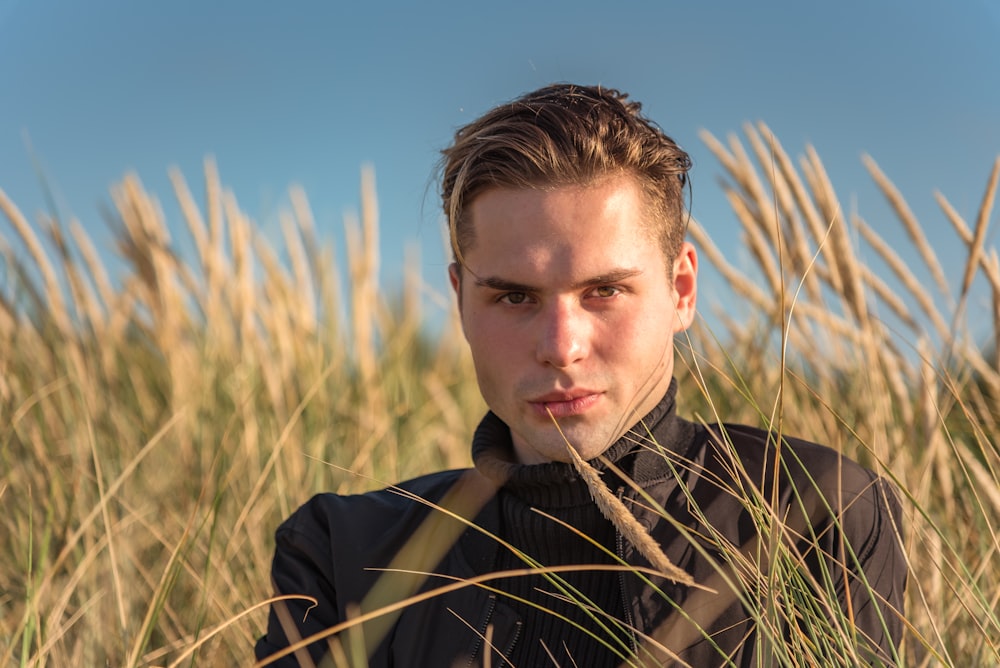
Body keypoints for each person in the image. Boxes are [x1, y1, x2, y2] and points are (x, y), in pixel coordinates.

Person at [255, 84, 906, 667]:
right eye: (514, 298)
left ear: (680, 290)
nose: (561, 347)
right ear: (459, 301)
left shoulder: (815, 511)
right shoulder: (346, 552)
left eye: (604, 291)